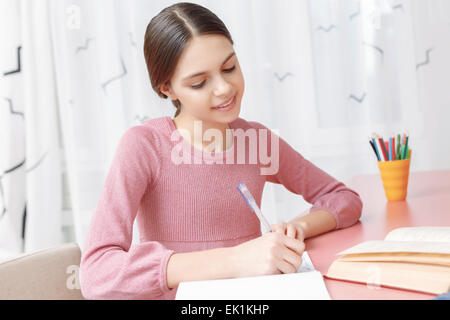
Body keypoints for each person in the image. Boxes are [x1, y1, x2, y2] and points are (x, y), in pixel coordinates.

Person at [79, 2, 363, 300]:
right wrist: (235, 260)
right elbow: (97, 275)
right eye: (200, 82)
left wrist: (296, 228)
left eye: (229, 67)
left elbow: (344, 199)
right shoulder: (144, 146)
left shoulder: (256, 141)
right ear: (168, 89)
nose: (224, 88)